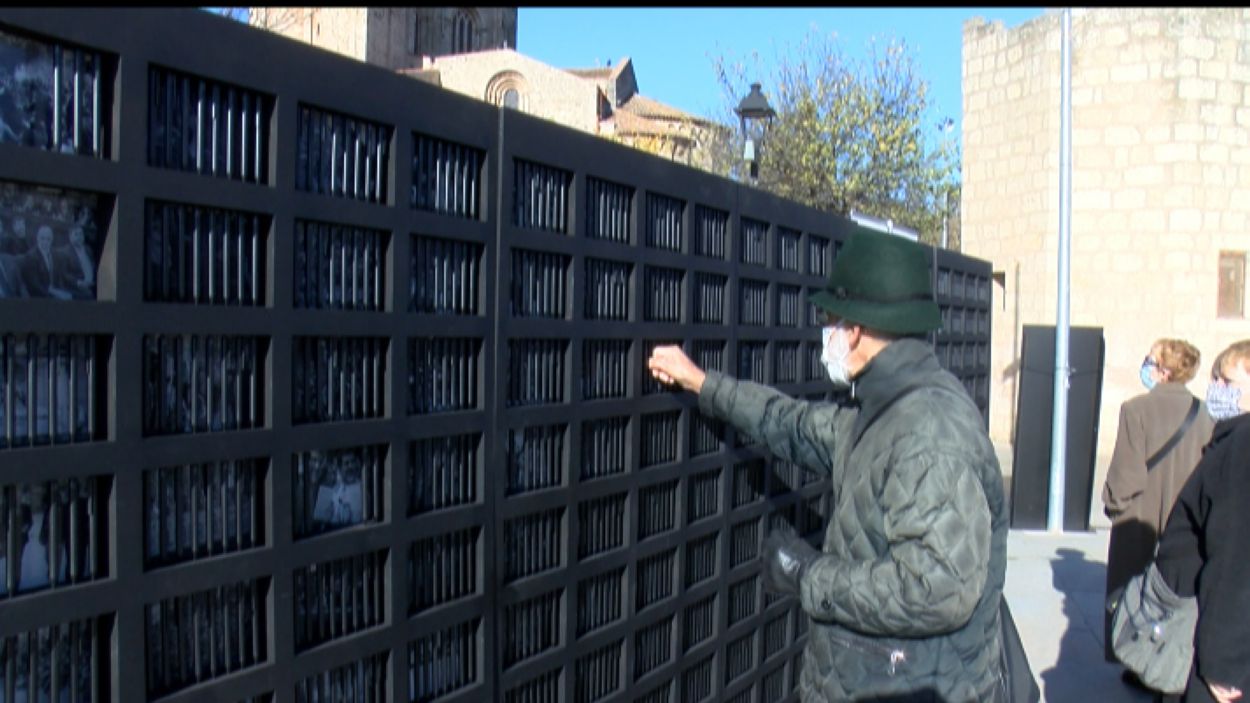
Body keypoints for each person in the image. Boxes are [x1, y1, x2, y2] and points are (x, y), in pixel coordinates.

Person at [647, 227, 1009, 702]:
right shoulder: (887, 410)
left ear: (855, 329)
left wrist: (807, 575)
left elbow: (936, 590)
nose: (827, 332)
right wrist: (701, 383)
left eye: (830, 318)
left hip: (905, 688)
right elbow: (795, 426)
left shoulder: (929, 436)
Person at [1101, 339, 1215, 666]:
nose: (1146, 365)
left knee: (1131, 591)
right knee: (1175, 595)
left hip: (1140, 514)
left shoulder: (1135, 409)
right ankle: (1171, 660)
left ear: (1164, 371)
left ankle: (1133, 656)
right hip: (1185, 517)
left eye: (1151, 360)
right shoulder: (1205, 414)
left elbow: (1128, 473)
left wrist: (1114, 502)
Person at [1154, 340, 1250, 703]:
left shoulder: (1242, 446)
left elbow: (1234, 561)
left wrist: (1221, 665)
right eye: (1215, 379)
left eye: (1228, 382)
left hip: (1212, 649)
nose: (1216, 389)